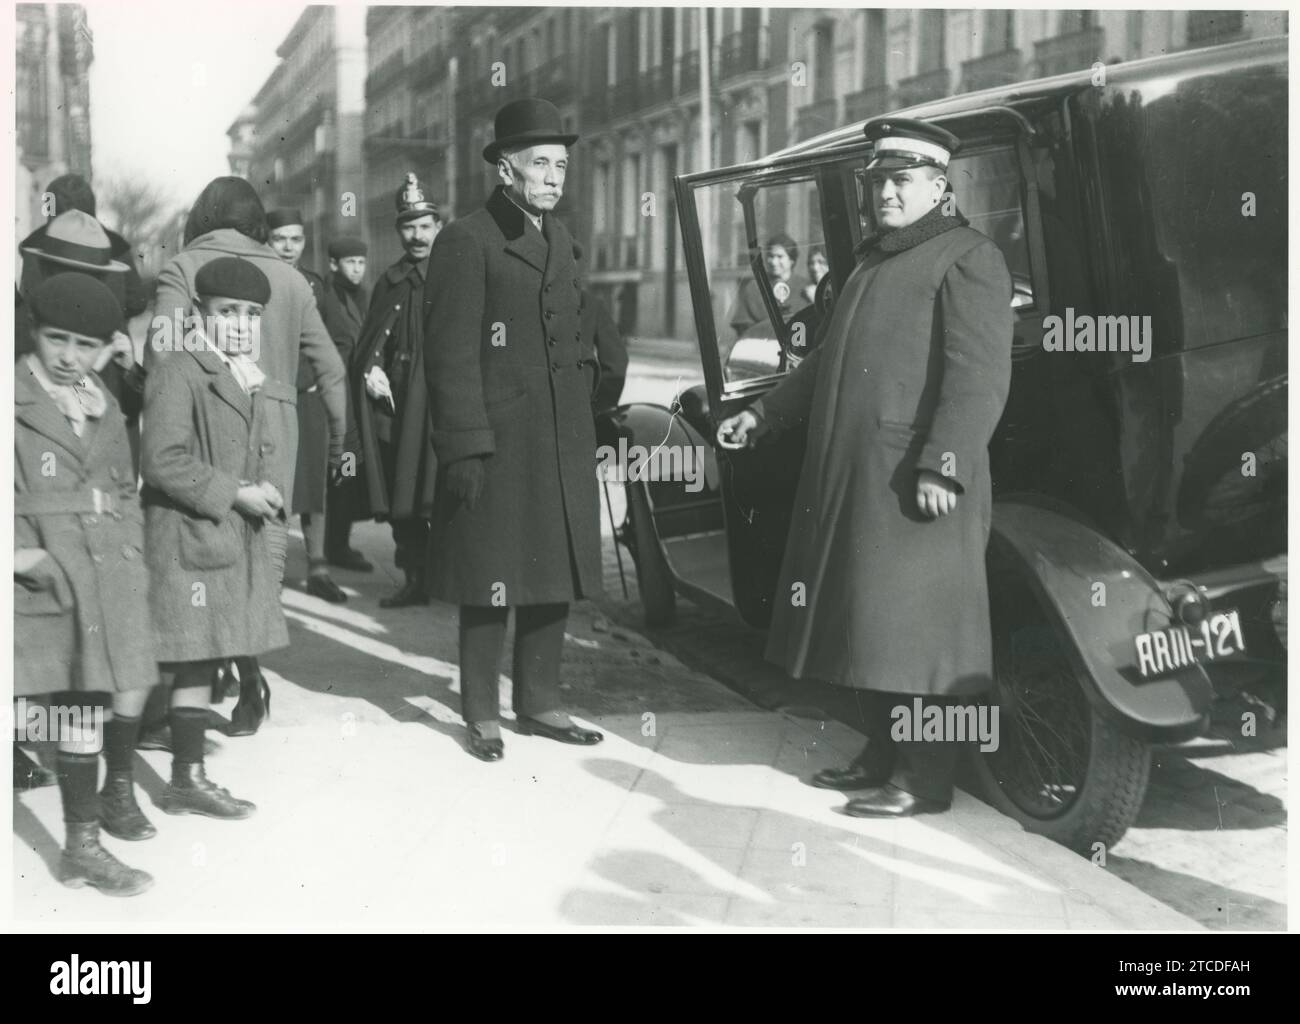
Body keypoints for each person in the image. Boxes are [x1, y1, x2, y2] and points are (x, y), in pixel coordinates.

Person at [716, 117, 1014, 818]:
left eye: (901, 180)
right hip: (863, 482)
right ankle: (883, 755)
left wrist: (944, 462)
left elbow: (979, 376)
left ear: (939, 186)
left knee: (924, 635)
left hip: (915, 480)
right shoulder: (876, 260)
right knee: (874, 627)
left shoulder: (968, 257)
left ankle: (925, 779)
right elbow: (825, 362)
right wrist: (764, 415)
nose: (885, 193)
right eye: (878, 180)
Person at [425, 98, 605, 762]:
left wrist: (592, 409)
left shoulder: (561, 239)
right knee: (490, 577)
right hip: (498, 444)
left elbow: (581, 334)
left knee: (550, 569)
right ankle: (481, 712)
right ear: (505, 171)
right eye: (540, 165)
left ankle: (541, 702)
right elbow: (450, 356)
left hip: (558, 439)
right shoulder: (467, 239)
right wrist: (466, 445)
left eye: (561, 165)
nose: (555, 178)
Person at [150, 177, 351, 735]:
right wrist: (338, 445)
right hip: (277, 425)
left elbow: (161, 352)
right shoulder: (291, 277)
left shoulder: (183, 267)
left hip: (206, 414)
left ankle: (212, 679)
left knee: (201, 545)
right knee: (263, 553)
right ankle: (249, 679)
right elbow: (331, 370)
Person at [14, 273, 159, 896]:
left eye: (83, 344)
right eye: (55, 339)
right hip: (44, 564)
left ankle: (81, 846)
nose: (68, 356)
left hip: (109, 565)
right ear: (33, 333)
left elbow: (124, 484)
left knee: (86, 702)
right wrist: (19, 555)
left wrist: (131, 545)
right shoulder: (12, 395)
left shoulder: (101, 397)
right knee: (52, 700)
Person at [141, 257, 287, 821]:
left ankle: (186, 778)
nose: (242, 324)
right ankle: (166, 778)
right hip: (186, 537)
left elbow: (252, 447)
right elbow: (162, 461)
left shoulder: (240, 369)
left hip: (216, 534)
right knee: (185, 660)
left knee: (199, 661)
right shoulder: (180, 369)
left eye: (252, 315)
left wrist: (265, 486)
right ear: (200, 312)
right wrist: (235, 493)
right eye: (229, 312)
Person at [352, 175, 440, 607]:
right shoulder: (390, 281)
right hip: (400, 402)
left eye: (424, 225)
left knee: (439, 488)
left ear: (438, 226)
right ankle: (415, 577)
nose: (417, 235)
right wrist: (372, 370)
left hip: (442, 400)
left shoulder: (454, 273)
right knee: (400, 486)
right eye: (408, 226)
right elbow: (372, 340)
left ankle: (449, 577)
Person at [266, 208, 346, 603]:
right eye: (280, 238)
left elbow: (338, 338)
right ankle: (269, 572)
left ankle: (318, 567)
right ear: (267, 240)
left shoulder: (316, 285)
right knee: (274, 485)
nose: (288, 246)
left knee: (315, 485)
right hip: (270, 397)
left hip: (309, 397)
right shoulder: (256, 281)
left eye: (295, 239)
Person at [319, 236, 373, 572]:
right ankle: (331, 545)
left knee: (349, 467)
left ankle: (339, 542)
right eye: (350, 262)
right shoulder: (324, 296)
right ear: (334, 265)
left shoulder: (365, 296)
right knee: (337, 465)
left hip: (357, 395)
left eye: (361, 262)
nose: (357, 269)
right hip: (331, 393)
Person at [727, 233, 810, 338]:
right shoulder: (754, 287)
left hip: (797, 348)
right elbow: (743, 326)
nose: (774, 262)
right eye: (771, 256)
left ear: (791, 260)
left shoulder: (805, 287)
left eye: (780, 257)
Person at [581, 288, 628, 412]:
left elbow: (616, 361)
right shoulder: (589, 303)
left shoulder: (589, 304)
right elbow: (616, 362)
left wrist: (598, 409)